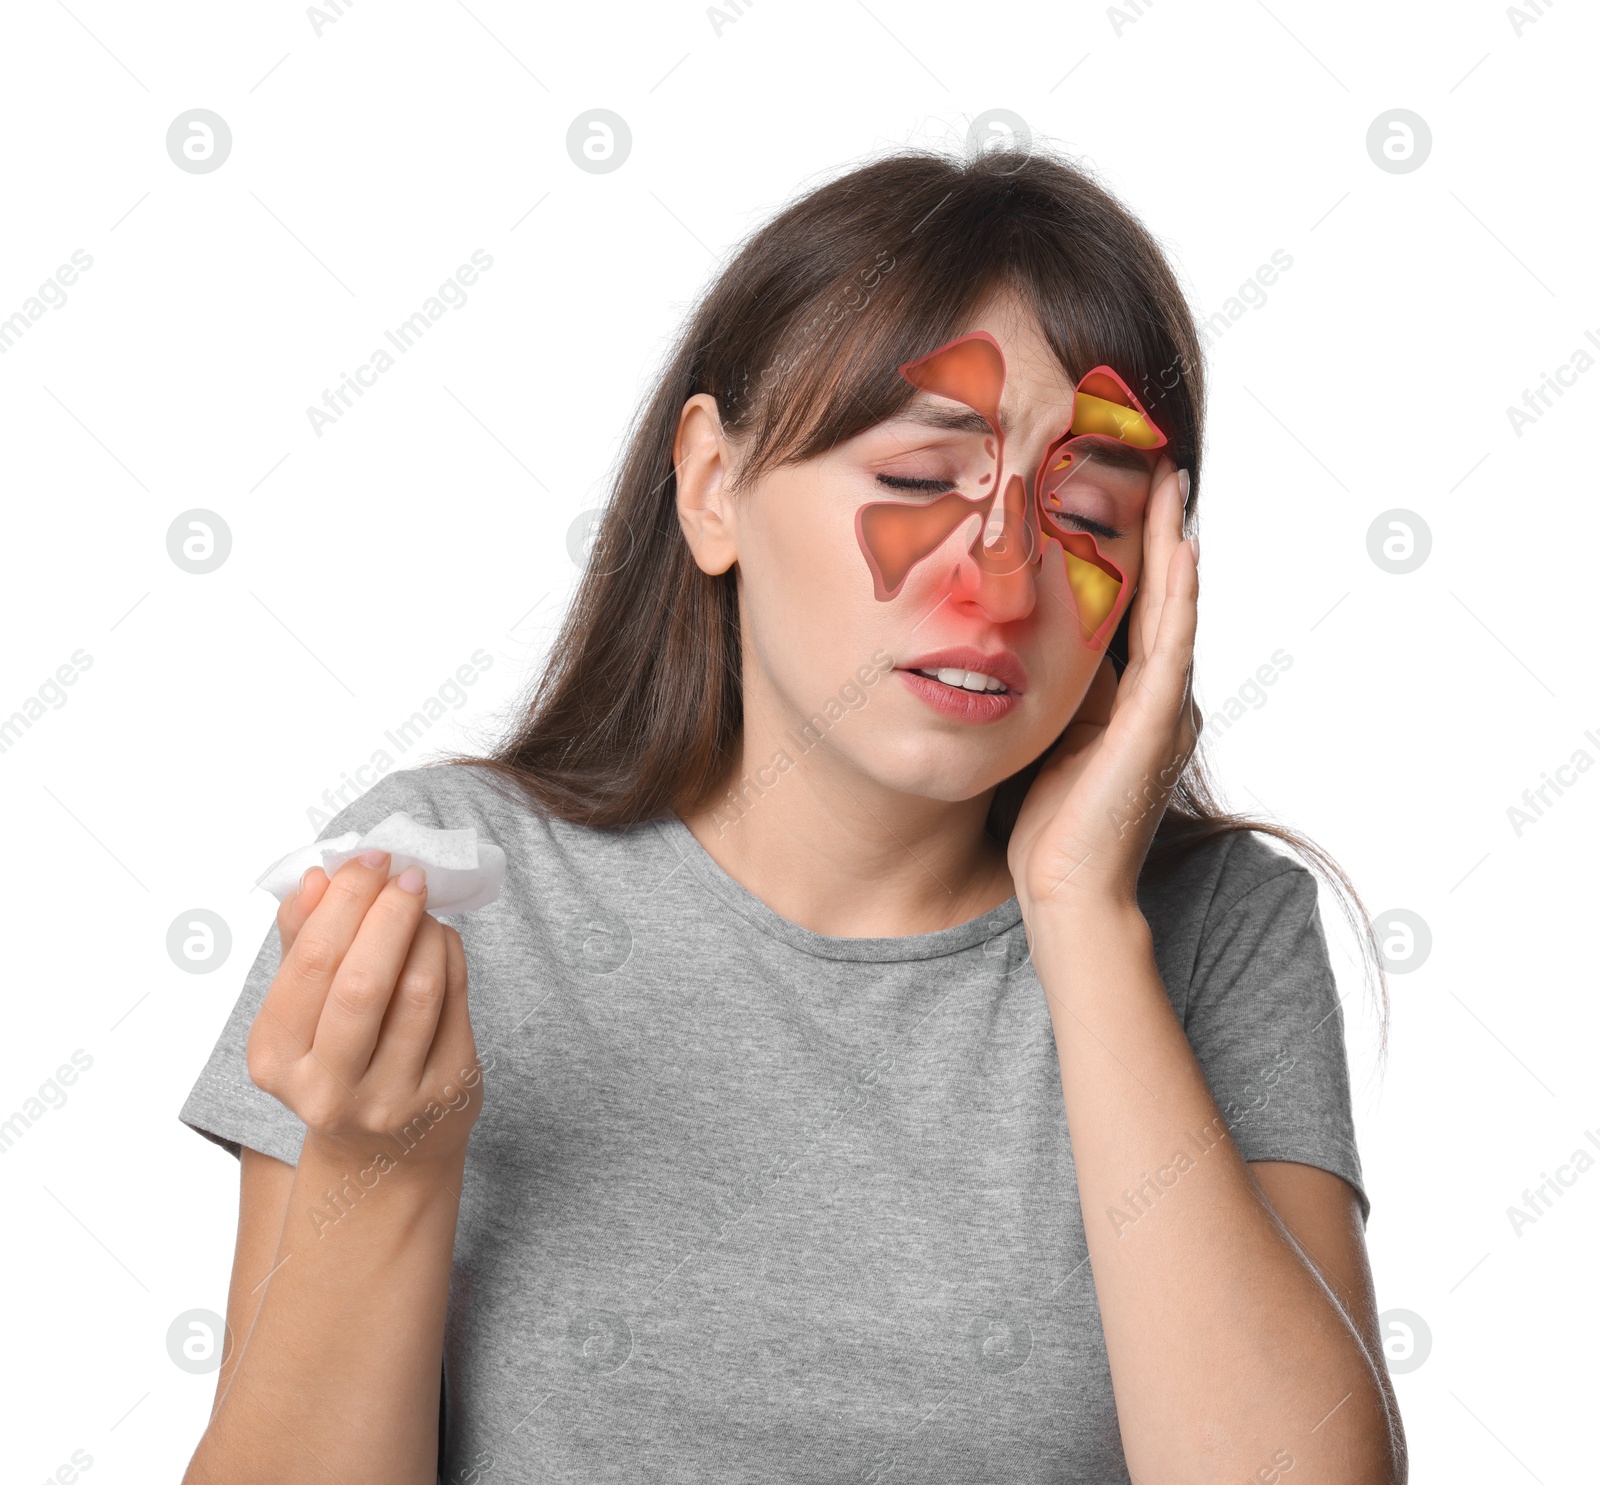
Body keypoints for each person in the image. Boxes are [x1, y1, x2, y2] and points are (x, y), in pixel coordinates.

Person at [179, 144, 1406, 1483]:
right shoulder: (455, 889)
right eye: (921, 481)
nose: (1000, 591)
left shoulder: (1224, 929)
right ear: (712, 486)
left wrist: (1081, 911)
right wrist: (380, 1168)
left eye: (1089, 513)